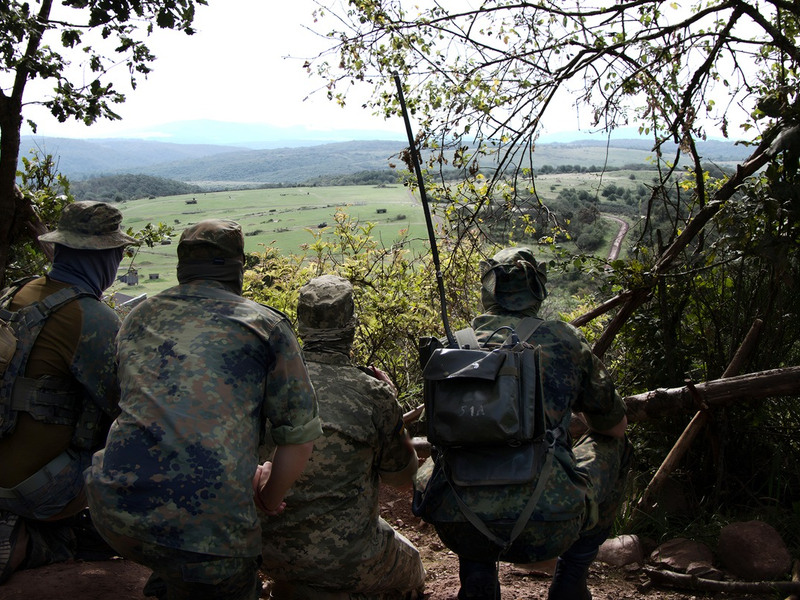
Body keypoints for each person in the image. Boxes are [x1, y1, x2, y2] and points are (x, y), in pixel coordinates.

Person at [84, 219, 322, 600]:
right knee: (220, 568)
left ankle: (173, 576)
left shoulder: (137, 318)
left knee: (179, 553)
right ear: (238, 267)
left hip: (114, 513)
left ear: (183, 266)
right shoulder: (265, 325)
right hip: (212, 537)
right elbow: (299, 439)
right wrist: (266, 497)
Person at [414, 246, 632, 600]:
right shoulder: (564, 340)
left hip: (460, 523)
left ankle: (478, 576)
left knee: (449, 458)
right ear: (537, 292)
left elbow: (435, 432)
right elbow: (614, 427)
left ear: (488, 291)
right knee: (618, 445)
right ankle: (571, 580)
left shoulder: (455, 346)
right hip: (550, 523)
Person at [260, 274, 425, 600]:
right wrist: (391, 408)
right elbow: (403, 478)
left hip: (268, 553)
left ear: (301, 326)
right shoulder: (372, 392)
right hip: (349, 559)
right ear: (352, 326)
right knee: (414, 567)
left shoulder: (267, 382)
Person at [0, 200, 137, 585]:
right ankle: (42, 543)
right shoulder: (93, 319)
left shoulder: (14, 294)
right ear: (107, 255)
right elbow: (129, 407)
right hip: (36, 490)